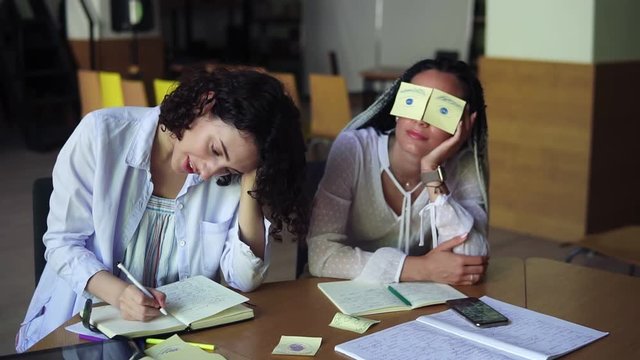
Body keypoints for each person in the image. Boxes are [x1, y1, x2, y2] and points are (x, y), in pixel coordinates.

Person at [16, 67, 307, 352]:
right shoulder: (102, 135)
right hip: (84, 330)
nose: (208, 173)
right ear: (204, 104)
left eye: (228, 167)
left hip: (177, 339)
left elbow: (244, 279)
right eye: (216, 150)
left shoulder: (227, 177)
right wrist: (119, 295)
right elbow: (62, 245)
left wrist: (250, 182)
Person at [307, 58, 489, 285]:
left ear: (463, 125)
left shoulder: (463, 166)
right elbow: (320, 255)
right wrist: (421, 269)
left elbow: (469, 261)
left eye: (442, 110)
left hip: (416, 304)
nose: (421, 120)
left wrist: (431, 173)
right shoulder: (354, 149)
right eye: (413, 102)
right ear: (397, 108)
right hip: (341, 294)